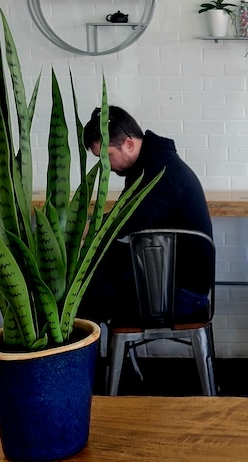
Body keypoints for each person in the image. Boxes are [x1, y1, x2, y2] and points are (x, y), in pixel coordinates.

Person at [80, 107, 213, 327]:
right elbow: (122, 219)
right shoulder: (148, 165)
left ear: (129, 144)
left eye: (107, 157)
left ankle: (71, 356)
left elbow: (121, 222)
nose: (105, 166)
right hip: (165, 276)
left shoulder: (162, 172)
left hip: (181, 292)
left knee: (86, 289)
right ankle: (80, 355)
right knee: (94, 274)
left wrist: (76, 234)